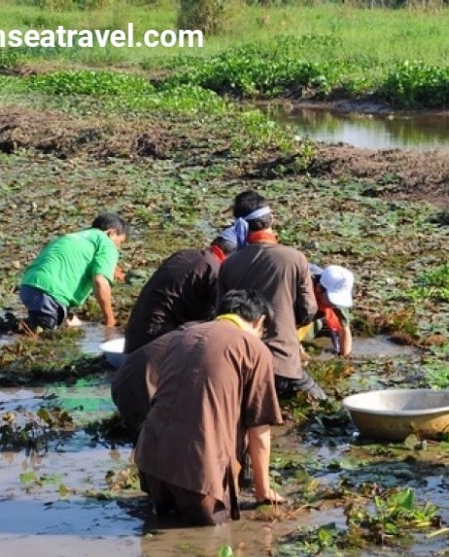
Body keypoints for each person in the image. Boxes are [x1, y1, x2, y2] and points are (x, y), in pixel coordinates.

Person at [134, 290, 285, 526]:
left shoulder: (184, 335)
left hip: (150, 463)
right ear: (260, 321)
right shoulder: (254, 348)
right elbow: (259, 429)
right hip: (198, 475)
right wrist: (263, 491)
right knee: (211, 539)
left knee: (162, 528)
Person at [217, 191, 324, 401]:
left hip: (242, 363)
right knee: (323, 407)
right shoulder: (295, 258)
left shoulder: (228, 264)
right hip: (283, 364)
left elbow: (220, 315)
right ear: (271, 218)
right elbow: (308, 311)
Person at [19, 213, 128, 330]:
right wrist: (110, 321)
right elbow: (100, 281)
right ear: (111, 233)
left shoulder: (76, 237)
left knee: (73, 324)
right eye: (120, 242)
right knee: (44, 338)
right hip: (49, 294)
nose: (118, 248)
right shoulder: (106, 242)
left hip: (28, 287)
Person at [123, 246, 221, 354]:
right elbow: (222, 320)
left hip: (135, 333)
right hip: (157, 338)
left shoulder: (183, 255)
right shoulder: (213, 269)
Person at [300, 264, 355, 357]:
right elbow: (284, 326)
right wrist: (301, 353)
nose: (335, 305)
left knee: (318, 323)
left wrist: (345, 357)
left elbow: (344, 327)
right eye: (332, 300)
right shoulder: (299, 289)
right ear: (319, 288)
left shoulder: (337, 287)